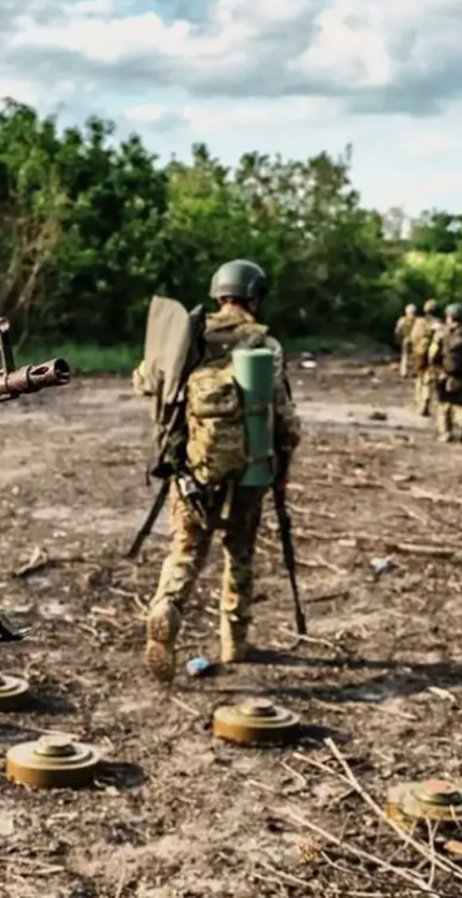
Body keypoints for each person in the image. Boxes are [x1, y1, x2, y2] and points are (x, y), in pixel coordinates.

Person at [143, 260, 301, 683]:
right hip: (249, 470)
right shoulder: (264, 343)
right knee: (240, 551)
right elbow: (284, 416)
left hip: (193, 468)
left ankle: (167, 606)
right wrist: (283, 464)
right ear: (255, 296)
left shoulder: (189, 335)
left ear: (219, 294)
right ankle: (234, 640)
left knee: (187, 547)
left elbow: (147, 382)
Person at [427, 304, 462, 443]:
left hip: (445, 373)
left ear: (450, 316)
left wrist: (434, 367)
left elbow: (433, 354)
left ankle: (446, 433)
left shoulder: (443, 332)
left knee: (443, 403)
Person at [407, 299, 441, 415]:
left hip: (419, 353)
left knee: (419, 378)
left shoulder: (419, 322)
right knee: (428, 380)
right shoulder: (438, 324)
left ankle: (419, 401)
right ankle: (425, 402)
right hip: (433, 354)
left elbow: (413, 337)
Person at [394, 304, 417, 378]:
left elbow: (398, 331)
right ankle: (414, 371)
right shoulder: (417, 320)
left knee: (405, 356)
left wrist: (398, 339)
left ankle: (404, 372)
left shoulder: (402, 320)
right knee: (414, 356)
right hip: (414, 340)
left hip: (406, 339)